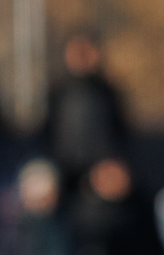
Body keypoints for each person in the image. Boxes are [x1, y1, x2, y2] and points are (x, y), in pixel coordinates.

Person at [69, 157, 163, 255]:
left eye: (118, 175)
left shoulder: (141, 211)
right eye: (107, 176)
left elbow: (151, 253)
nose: (114, 181)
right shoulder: (82, 216)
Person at [45, 33, 129, 189]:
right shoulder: (58, 92)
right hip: (63, 170)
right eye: (76, 52)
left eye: (86, 52)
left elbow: (121, 132)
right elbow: (46, 131)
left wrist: (112, 164)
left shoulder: (108, 93)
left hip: (101, 172)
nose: (81, 58)